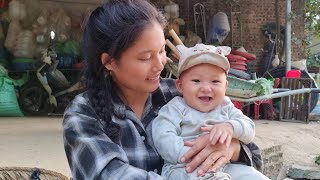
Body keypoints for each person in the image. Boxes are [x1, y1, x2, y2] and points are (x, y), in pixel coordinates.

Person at [63, 0, 266, 179]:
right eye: (145, 57)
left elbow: (254, 157)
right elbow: (110, 175)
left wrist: (231, 148)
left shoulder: (182, 93)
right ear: (109, 61)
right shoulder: (84, 113)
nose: (160, 64)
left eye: (162, 51)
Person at [152, 44, 268, 180]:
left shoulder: (225, 106)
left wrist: (230, 127)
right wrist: (191, 154)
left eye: (215, 81)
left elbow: (249, 129)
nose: (206, 88)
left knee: (253, 176)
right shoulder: (175, 108)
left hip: (223, 164)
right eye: (196, 81)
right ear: (180, 86)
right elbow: (163, 137)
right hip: (184, 167)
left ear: (225, 86)